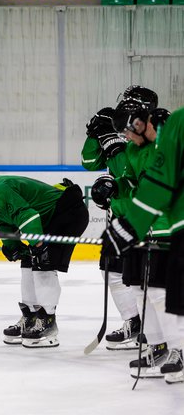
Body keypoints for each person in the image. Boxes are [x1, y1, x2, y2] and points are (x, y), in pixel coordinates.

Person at [0, 171, 89, 348]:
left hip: (68, 212)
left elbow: (26, 215)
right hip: (47, 218)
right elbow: (6, 224)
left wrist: (39, 244)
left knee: (44, 262)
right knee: (28, 260)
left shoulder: (1, 190)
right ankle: (31, 316)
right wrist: (13, 247)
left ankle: (48, 321)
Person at [103, 96, 182, 383]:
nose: (125, 138)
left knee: (162, 291)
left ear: (139, 124)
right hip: (144, 226)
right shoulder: (134, 153)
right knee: (138, 287)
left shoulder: (165, 142)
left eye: (127, 131)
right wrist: (112, 196)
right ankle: (158, 347)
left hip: (167, 226)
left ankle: (180, 350)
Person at [82, 104, 141, 350]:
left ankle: (153, 329)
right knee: (111, 269)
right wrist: (93, 136)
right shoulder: (110, 126)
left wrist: (116, 151)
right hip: (119, 215)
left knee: (143, 276)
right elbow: (88, 162)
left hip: (142, 217)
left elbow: (134, 173)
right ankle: (133, 323)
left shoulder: (143, 132)